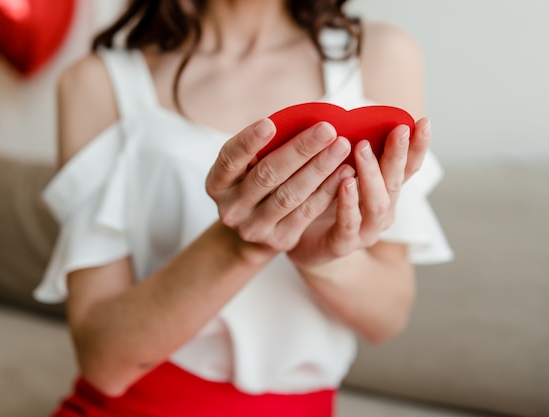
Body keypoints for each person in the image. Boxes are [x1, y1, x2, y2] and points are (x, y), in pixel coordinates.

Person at [34, 0, 453, 415]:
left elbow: (388, 318)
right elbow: (102, 362)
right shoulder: (96, 83)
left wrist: (319, 254)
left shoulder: (378, 56)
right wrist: (242, 244)